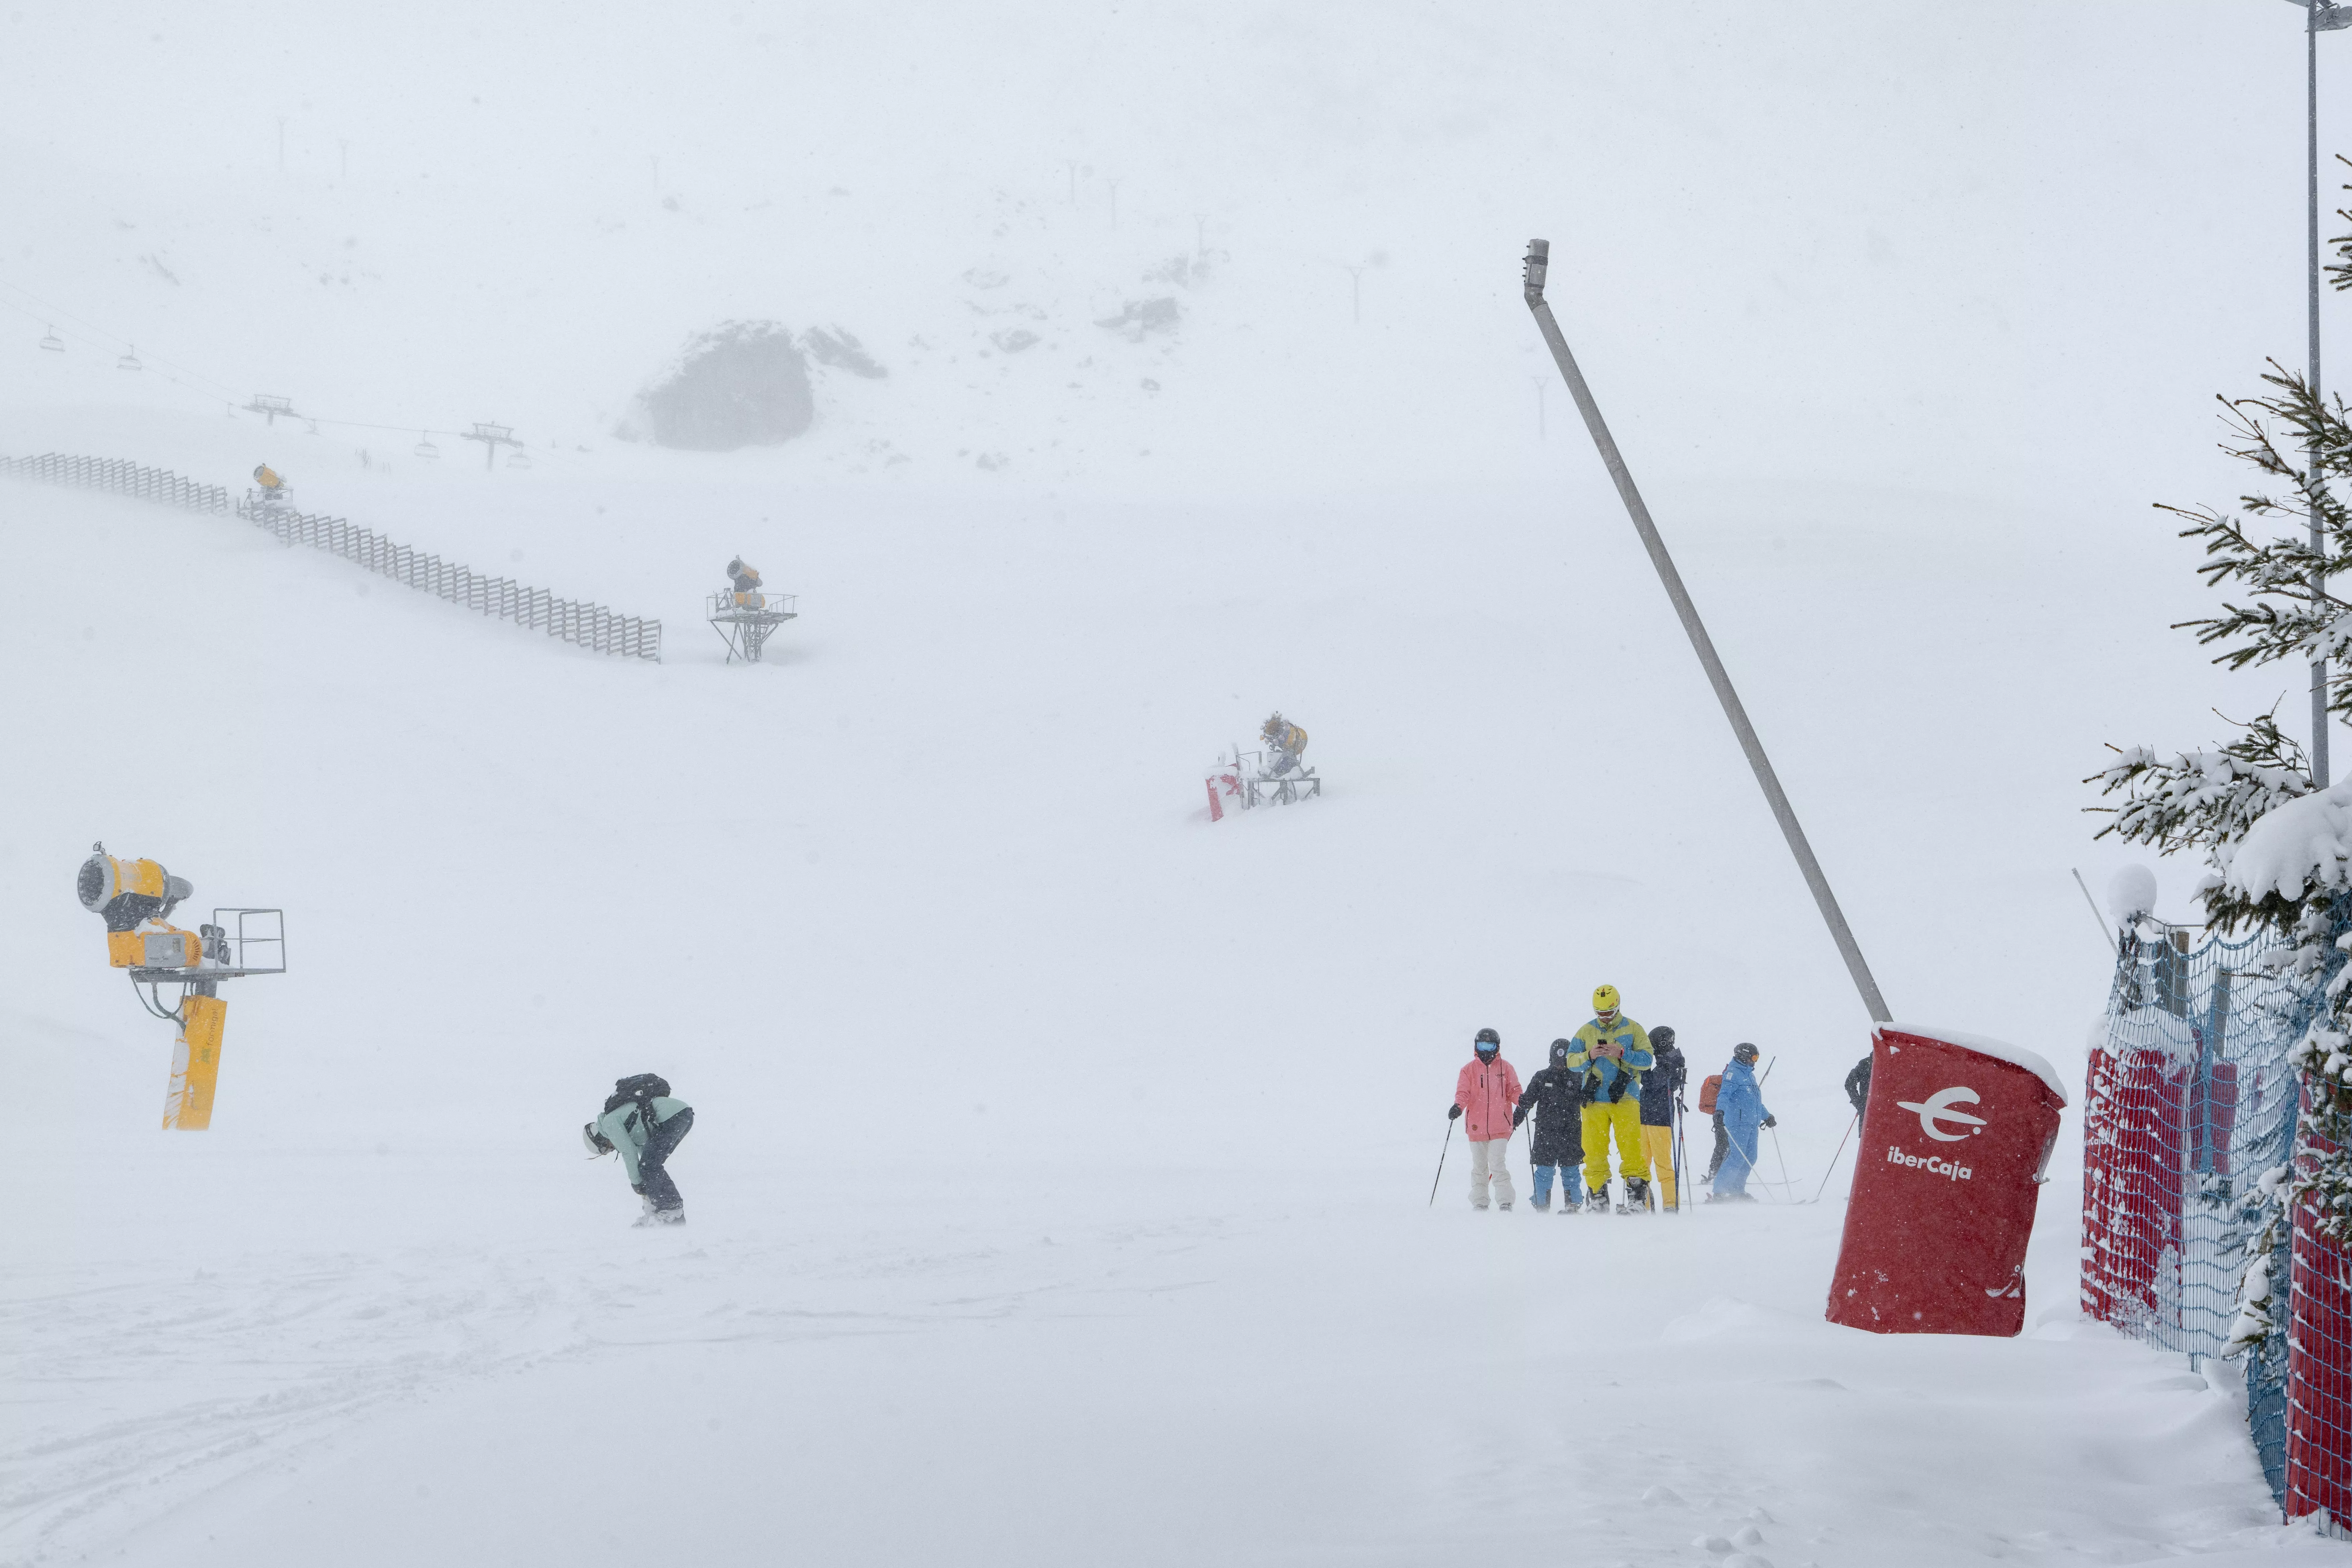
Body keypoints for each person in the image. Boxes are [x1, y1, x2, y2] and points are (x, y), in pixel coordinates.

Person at [1568, 985, 1654, 1213]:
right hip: (1594, 1100)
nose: (1604, 1017)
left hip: (1625, 1098)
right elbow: (1571, 1061)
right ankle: (1597, 1196)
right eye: (1600, 1013)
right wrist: (1589, 1055)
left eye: (1608, 1012)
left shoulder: (1634, 1029)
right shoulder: (1586, 1032)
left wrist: (1623, 1054)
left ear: (1617, 1007)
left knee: (1632, 1149)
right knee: (1593, 1150)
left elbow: (1647, 1060)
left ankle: (1637, 1196)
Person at [583, 1073, 695, 1225]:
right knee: (649, 1166)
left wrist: (637, 1183)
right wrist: (644, 1183)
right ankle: (660, 1211)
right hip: (683, 1115)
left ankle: (672, 1211)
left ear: (600, 1139)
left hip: (673, 1118)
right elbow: (644, 1155)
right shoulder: (628, 1126)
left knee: (650, 1166)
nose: (610, 1150)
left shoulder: (610, 1123)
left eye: (605, 1150)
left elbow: (628, 1152)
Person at [1450, 1028, 1521, 1211]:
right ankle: (1480, 1202)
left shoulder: (1506, 1068)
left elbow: (1514, 1090)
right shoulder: (1468, 1070)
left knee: (1497, 1164)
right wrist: (1458, 1107)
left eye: (1490, 1045)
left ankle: (1505, 1201)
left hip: (1501, 1126)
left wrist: (1522, 1100)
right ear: (1476, 1046)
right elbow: (1463, 1092)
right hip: (1476, 1127)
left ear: (1497, 1047)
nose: (1486, 1050)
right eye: (1482, 1045)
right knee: (1480, 1167)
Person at [1512, 1038, 1586, 1213]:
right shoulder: (1542, 1077)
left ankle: (1573, 1205)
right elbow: (1528, 1101)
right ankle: (1542, 1205)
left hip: (1571, 1132)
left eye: (1564, 1060)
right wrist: (1516, 1120)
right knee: (1544, 1171)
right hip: (1546, 1132)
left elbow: (1587, 1101)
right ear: (1551, 1058)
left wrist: (1592, 1089)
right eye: (1557, 1060)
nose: (1560, 1065)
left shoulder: (1578, 1077)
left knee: (1571, 1171)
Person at [1709, 1043, 1776, 1203]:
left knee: (1751, 1157)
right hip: (1738, 1122)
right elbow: (1724, 1094)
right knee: (1738, 1157)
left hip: (1752, 1123)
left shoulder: (1749, 1075)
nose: (1755, 1062)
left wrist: (1767, 1116)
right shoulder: (1733, 1074)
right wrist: (1720, 1111)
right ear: (1743, 1056)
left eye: (1757, 1058)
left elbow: (1754, 1101)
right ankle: (1720, 1192)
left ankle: (1737, 1191)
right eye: (1754, 1058)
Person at [1639, 1024, 1687, 1211]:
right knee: (1643, 1163)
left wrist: (1644, 1066)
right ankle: (1644, 1202)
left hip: (1659, 1119)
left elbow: (1650, 1083)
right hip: (1648, 1116)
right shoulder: (1667, 1061)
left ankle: (1669, 1203)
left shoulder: (1671, 1062)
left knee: (1662, 1163)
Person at [1260, 712, 1309, 777]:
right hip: (1294, 745)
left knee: (1288, 759)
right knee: (1288, 759)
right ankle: (1280, 772)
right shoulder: (1285, 735)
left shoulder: (1284, 735)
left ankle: (1279, 772)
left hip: (1293, 746)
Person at [1845, 1053, 1872, 1119]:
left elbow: (1850, 1083)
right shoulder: (1866, 1064)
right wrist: (1860, 1104)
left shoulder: (1867, 1064)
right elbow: (1850, 1083)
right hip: (1868, 1114)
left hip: (1869, 1112)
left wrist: (1860, 1104)